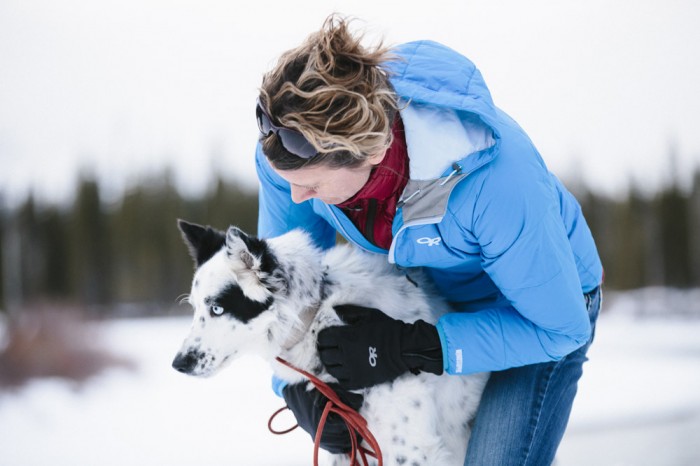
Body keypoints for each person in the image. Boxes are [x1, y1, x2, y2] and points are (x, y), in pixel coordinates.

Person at [254, 15, 603, 466]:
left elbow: (560, 328)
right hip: (433, 297)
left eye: (314, 187)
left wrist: (414, 347)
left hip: (539, 313)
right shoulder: (288, 154)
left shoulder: (496, 184)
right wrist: (295, 386)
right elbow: (283, 291)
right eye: (288, 181)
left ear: (370, 154)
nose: (297, 195)